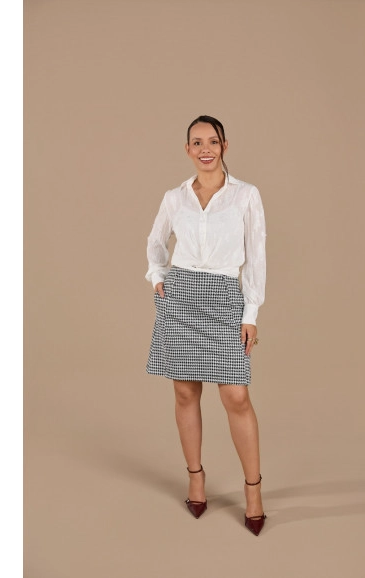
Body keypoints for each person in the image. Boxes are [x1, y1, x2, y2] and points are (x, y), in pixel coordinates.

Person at [144, 115, 267, 536]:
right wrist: (158, 276)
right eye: (196, 142)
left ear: (224, 146)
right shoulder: (174, 197)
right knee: (184, 391)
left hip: (224, 296)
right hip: (180, 297)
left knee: (236, 396)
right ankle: (195, 478)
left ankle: (253, 490)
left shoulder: (245, 195)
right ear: (187, 150)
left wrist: (250, 313)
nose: (205, 149)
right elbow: (156, 242)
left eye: (212, 141)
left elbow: (257, 255)